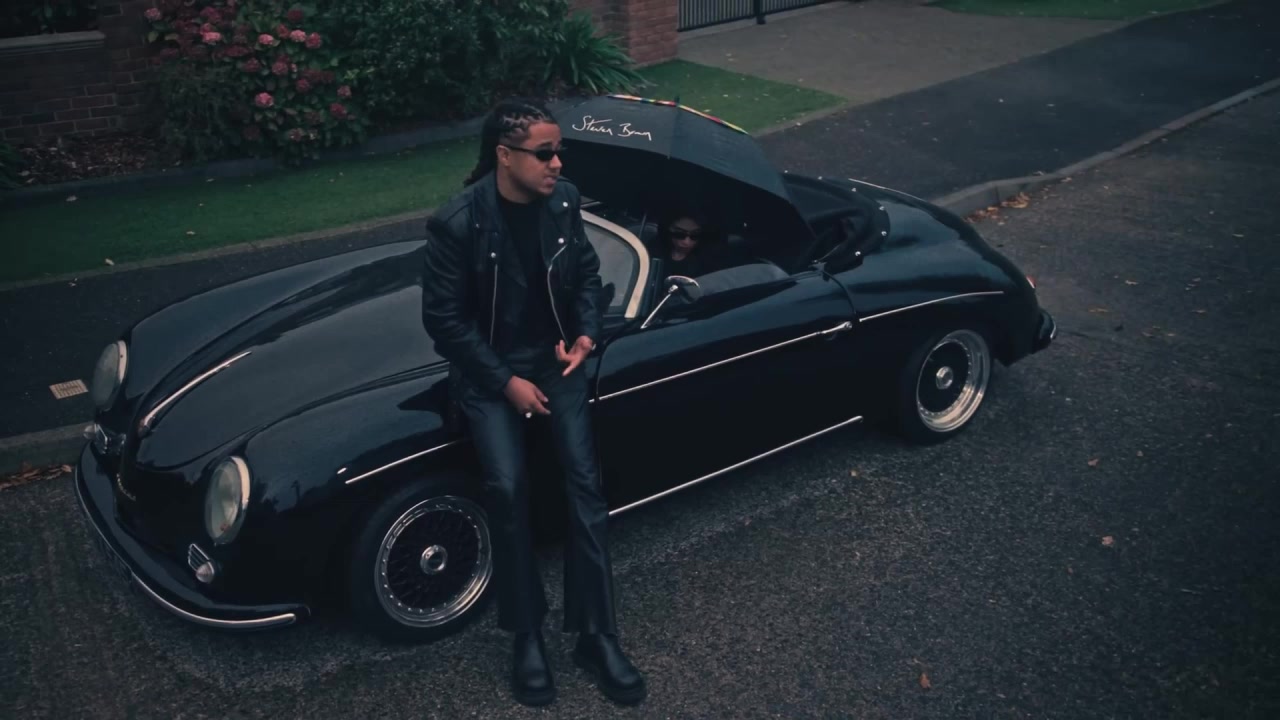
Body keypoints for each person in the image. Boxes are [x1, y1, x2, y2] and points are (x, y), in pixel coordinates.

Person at [419, 97, 646, 707]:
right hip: (490, 372)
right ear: (504, 155)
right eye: (544, 153)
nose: (557, 163)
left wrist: (587, 333)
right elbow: (444, 322)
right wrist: (505, 383)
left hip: (556, 361)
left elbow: (587, 278)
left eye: (558, 151)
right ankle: (526, 636)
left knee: (585, 485)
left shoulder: (564, 201)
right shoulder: (457, 223)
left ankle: (596, 635)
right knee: (508, 488)